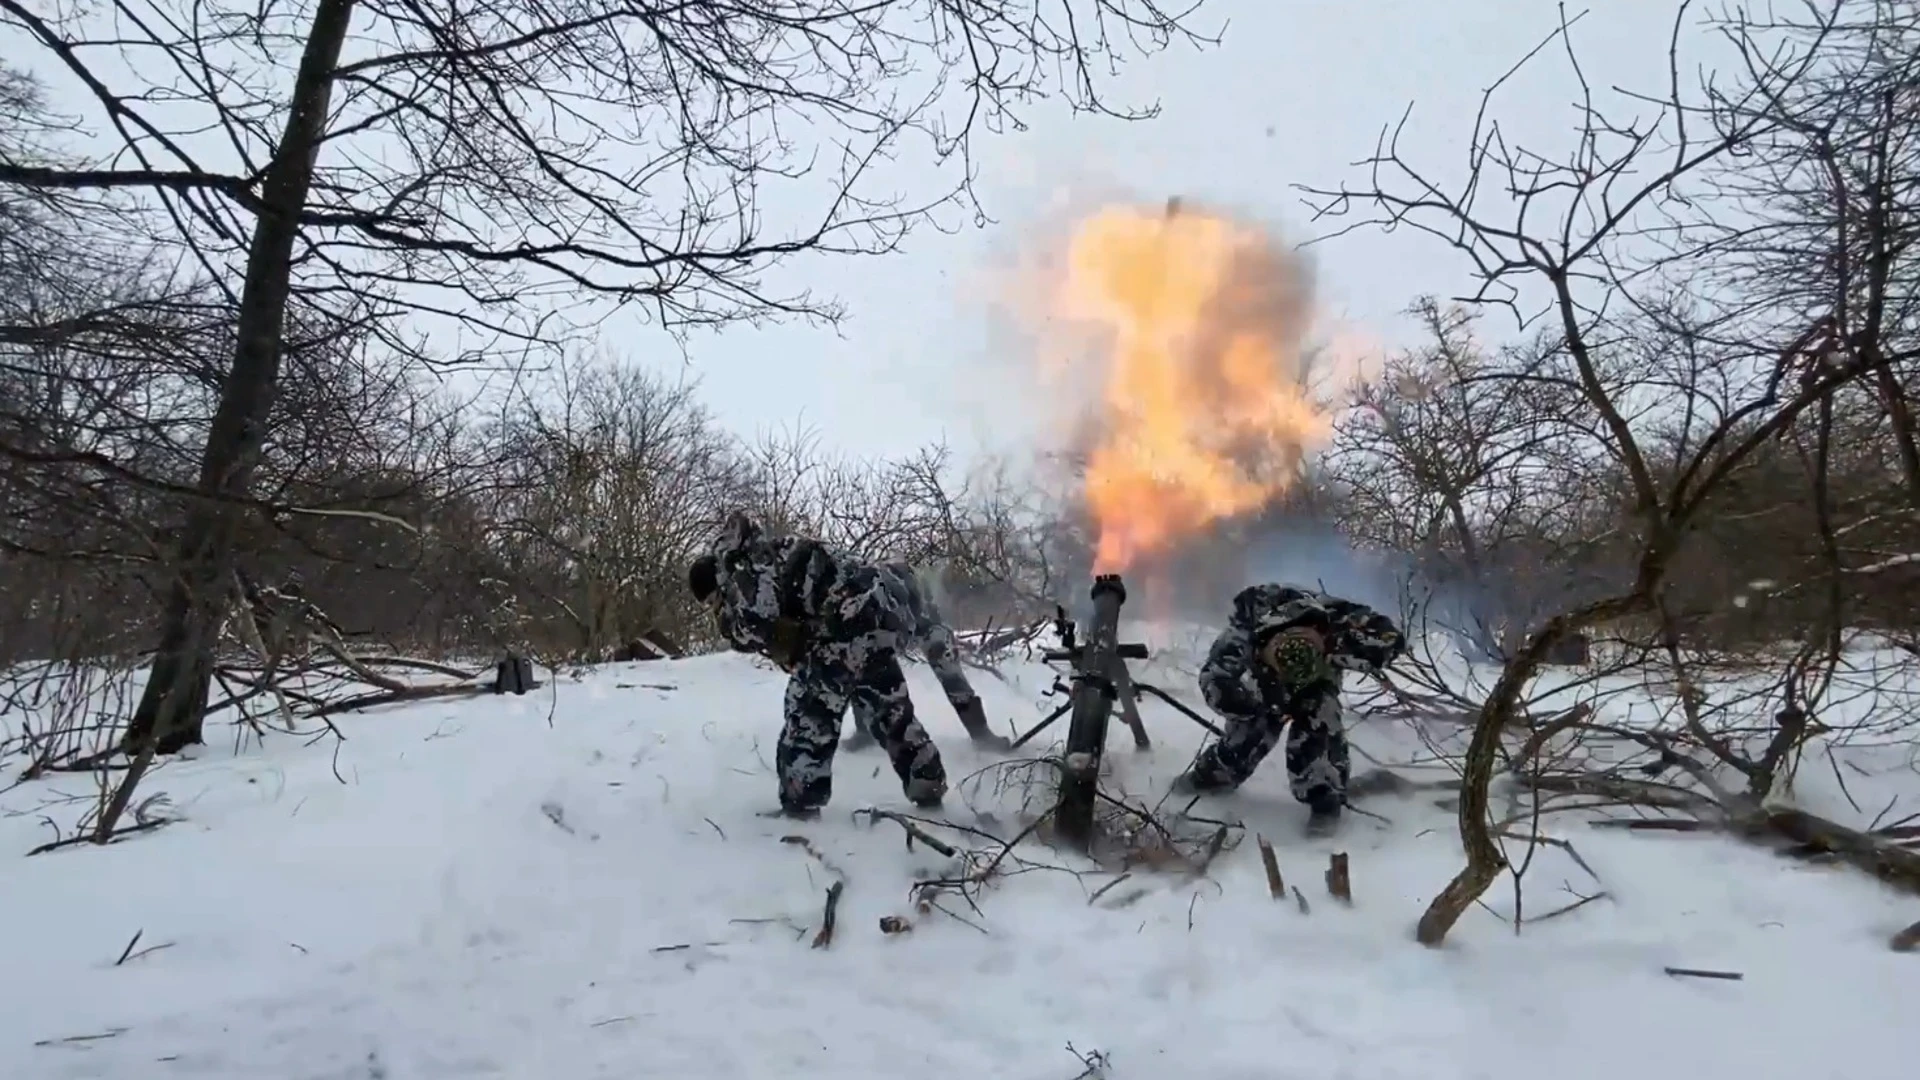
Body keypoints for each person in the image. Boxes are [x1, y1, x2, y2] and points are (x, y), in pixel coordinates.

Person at [686, 512, 958, 818]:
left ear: (718, 582)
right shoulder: (771, 551)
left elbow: (761, 620)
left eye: (712, 601)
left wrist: (732, 624)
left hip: (840, 627)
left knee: (809, 716)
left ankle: (801, 805)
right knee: (891, 710)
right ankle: (928, 784)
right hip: (870, 619)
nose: (715, 607)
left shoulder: (749, 571)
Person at [1173, 583, 1406, 836]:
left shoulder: (1336, 621)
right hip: (1263, 690)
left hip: (1315, 690)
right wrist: (1248, 701)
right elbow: (1215, 682)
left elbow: (1388, 639)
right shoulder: (1241, 636)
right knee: (1251, 733)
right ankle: (1211, 777)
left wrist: (1371, 646)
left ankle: (1324, 799)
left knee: (1322, 717)